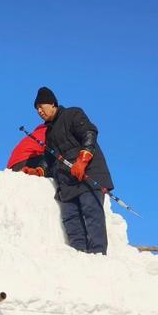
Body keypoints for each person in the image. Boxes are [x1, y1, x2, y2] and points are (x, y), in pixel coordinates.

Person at [32, 87, 114, 254]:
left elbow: (89, 133)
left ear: (53, 103)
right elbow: (49, 160)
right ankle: (79, 259)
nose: (39, 111)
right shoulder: (49, 134)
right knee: (71, 220)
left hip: (88, 175)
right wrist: (39, 170)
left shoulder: (72, 114)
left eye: (42, 106)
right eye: (37, 109)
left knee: (92, 214)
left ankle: (99, 257)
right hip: (67, 184)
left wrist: (83, 159)